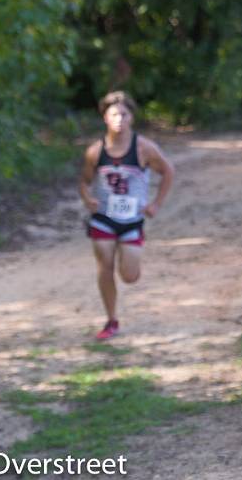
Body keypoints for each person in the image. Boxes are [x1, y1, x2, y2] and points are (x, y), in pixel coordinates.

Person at [78, 90, 175, 341]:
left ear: (132, 117)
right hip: (103, 218)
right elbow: (84, 181)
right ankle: (111, 320)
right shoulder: (96, 151)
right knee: (104, 265)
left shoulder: (144, 148)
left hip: (132, 219)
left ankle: (128, 258)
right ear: (105, 119)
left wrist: (156, 204)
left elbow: (168, 171)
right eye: (114, 114)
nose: (119, 119)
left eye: (124, 114)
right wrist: (88, 199)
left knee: (129, 276)